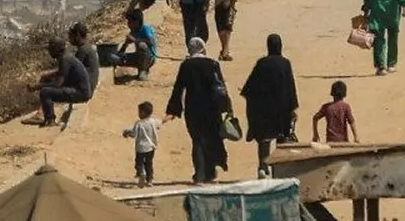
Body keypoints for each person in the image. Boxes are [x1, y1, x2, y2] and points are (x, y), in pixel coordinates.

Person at [166, 37, 231, 184]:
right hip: (212, 108)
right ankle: (211, 172)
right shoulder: (213, 64)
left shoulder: (186, 65)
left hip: (193, 108)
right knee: (212, 138)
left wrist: (173, 109)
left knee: (198, 140)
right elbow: (221, 87)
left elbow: (178, 88)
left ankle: (200, 174)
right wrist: (227, 107)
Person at [241, 34, 299, 179]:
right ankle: (279, 169)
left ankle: (263, 167)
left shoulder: (262, 63)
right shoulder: (285, 63)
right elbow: (290, 86)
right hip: (282, 109)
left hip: (264, 109)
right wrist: (292, 108)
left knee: (264, 140)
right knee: (282, 138)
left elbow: (250, 89)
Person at [31, 38, 91, 125]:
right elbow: (61, 72)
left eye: (51, 48)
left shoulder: (64, 59)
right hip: (81, 90)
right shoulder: (66, 57)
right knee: (47, 85)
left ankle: (50, 120)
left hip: (81, 93)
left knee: (45, 92)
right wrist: (46, 76)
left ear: (59, 49)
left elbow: (58, 84)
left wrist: (38, 86)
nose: (49, 51)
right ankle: (42, 113)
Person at [123, 101, 161, 187]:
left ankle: (141, 173)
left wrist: (127, 133)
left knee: (139, 162)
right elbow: (160, 124)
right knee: (149, 163)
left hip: (141, 147)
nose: (138, 113)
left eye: (139, 112)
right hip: (151, 147)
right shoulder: (153, 121)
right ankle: (149, 180)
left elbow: (134, 134)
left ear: (143, 112)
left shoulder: (139, 123)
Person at [119, 8, 158, 81]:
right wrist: (124, 45)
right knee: (118, 58)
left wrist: (135, 40)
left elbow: (151, 43)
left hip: (150, 58)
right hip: (138, 57)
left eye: (130, 22)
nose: (128, 24)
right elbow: (122, 51)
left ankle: (143, 70)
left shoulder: (146, 29)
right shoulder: (133, 31)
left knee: (141, 45)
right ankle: (141, 69)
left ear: (136, 22)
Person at [68, 21, 100, 99]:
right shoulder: (88, 47)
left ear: (77, 35)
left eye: (71, 35)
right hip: (89, 87)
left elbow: (69, 70)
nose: (69, 39)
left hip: (85, 90)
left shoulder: (83, 50)